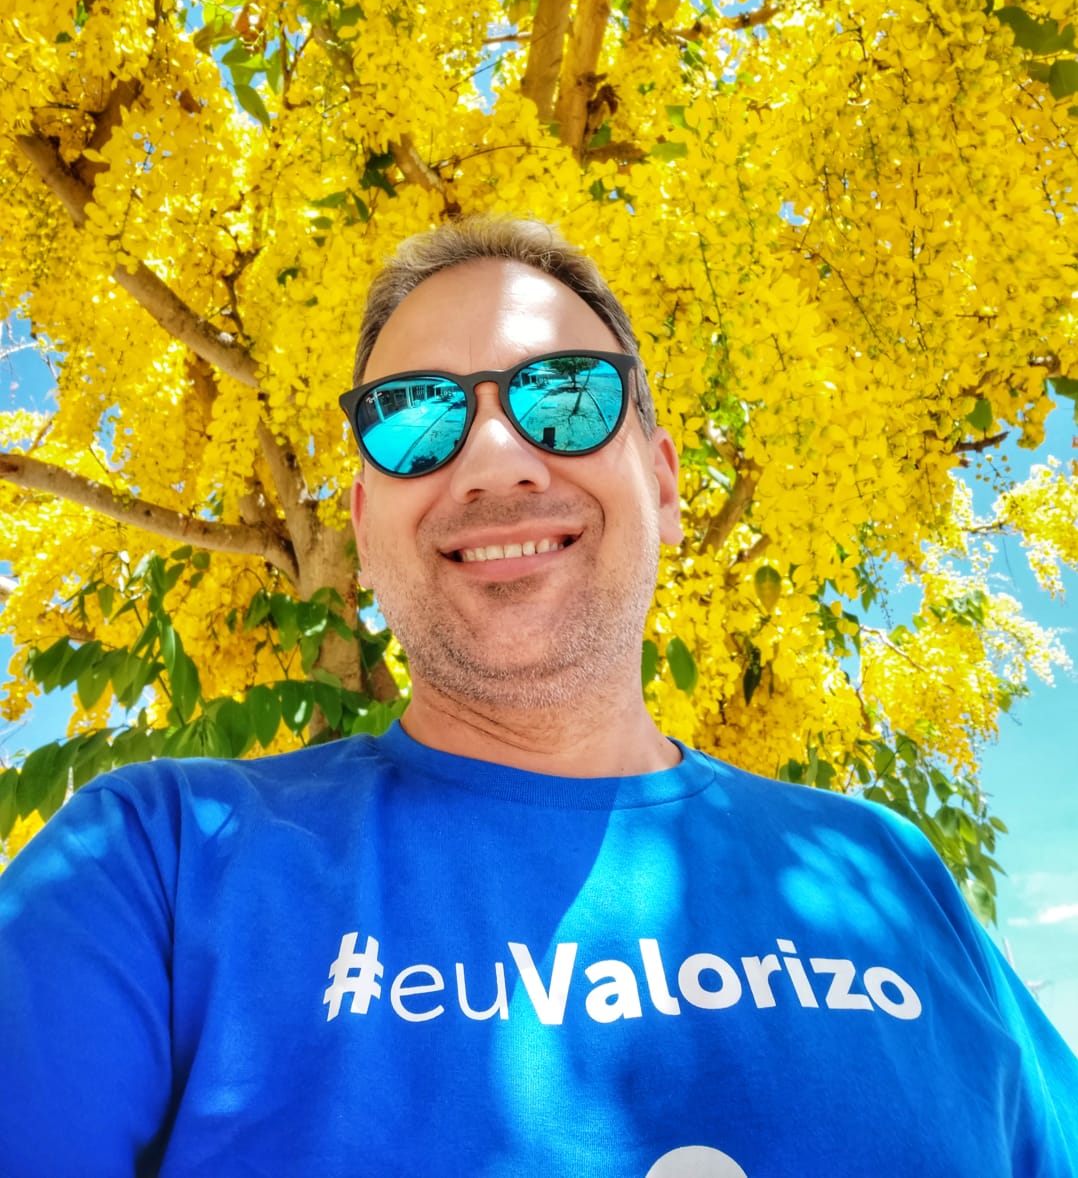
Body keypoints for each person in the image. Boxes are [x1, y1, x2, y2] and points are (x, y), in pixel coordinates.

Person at [1, 218, 1076, 1178]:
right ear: (363, 528)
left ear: (664, 484)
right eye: (414, 418)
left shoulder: (889, 875)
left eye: (567, 395)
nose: (496, 459)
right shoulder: (154, 866)